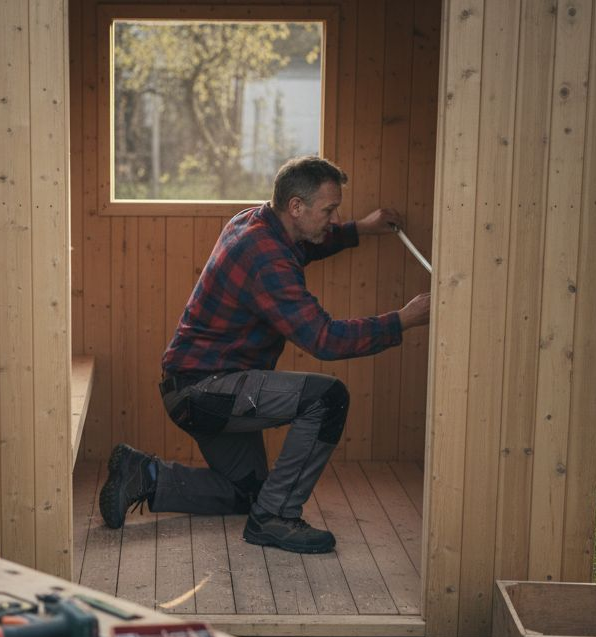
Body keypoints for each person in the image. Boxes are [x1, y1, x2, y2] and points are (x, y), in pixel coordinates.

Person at [97, 155, 431, 554]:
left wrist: (361, 228)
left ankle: (146, 474)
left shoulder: (255, 221)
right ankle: (276, 519)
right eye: (329, 209)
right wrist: (402, 320)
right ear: (295, 206)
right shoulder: (266, 257)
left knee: (249, 493)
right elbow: (324, 339)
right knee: (327, 399)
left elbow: (308, 246)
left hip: (194, 387)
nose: (333, 216)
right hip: (206, 391)